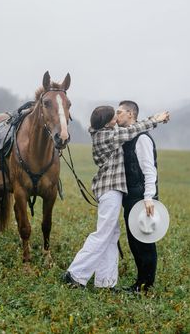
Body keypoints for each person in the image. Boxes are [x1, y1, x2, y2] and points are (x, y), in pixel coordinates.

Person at [62, 105, 169, 289]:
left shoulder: (110, 131)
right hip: (110, 190)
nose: (116, 118)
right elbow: (133, 129)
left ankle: (106, 282)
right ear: (106, 123)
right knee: (103, 234)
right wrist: (156, 119)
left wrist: (157, 118)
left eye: (119, 113)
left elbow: (134, 127)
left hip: (114, 191)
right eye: (114, 116)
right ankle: (75, 274)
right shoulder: (108, 136)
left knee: (111, 236)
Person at [117, 100, 167, 293]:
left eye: (120, 112)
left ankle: (145, 286)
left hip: (141, 197)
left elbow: (149, 170)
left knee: (144, 241)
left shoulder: (142, 139)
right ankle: (141, 282)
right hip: (131, 196)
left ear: (131, 114)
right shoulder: (127, 136)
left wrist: (148, 197)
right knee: (134, 240)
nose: (116, 115)